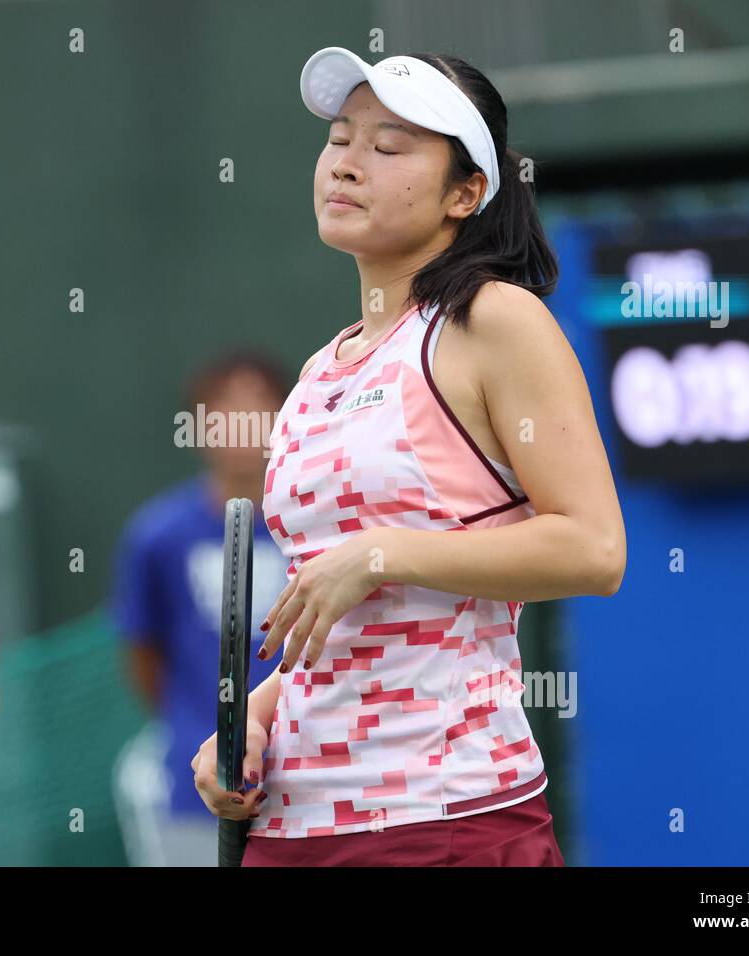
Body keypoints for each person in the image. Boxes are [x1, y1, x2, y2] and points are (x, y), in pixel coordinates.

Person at [189, 47, 626, 866]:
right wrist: (252, 717)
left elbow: (595, 550)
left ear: (466, 193)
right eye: (339, 140)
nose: (347, 164)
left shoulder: (497, 321)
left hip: (446, 822)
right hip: (289, 831)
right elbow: (345, 622)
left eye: (388, 148)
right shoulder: (321, 370)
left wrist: (385, 552)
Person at [110, 351, 291, 866]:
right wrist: (198, 734)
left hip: (309, 778)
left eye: (257, 408)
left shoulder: (315, 524)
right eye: (224, 412)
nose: (242, 428)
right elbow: (142, 656)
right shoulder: (156, 535)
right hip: (196, 789)